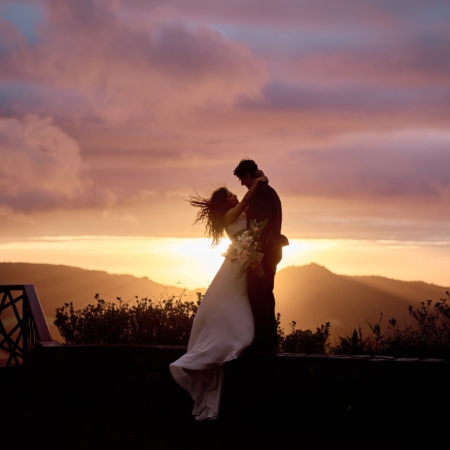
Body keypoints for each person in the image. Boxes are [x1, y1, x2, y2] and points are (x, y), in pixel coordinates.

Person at [169, 173, 269, 421]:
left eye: (235, 193)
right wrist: (256, 183)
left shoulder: (235, 214)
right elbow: (246, 203)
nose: (236, 196)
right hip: (236, 265)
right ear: (225, 203)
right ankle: (219, 347)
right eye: (231, 195)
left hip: (242, 262)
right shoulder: (229, 216)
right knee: (233, 303)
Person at [233, 159, 289, 353]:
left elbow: (263, 225)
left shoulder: (262, 193)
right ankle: (270, 341)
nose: (241, 183)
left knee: (259, 296)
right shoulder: (269, 191)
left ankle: (264, 343)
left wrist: (259, 254)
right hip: (270, 252)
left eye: (242, 179)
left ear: (248, 175)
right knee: (265, 295)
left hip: (264, 253)